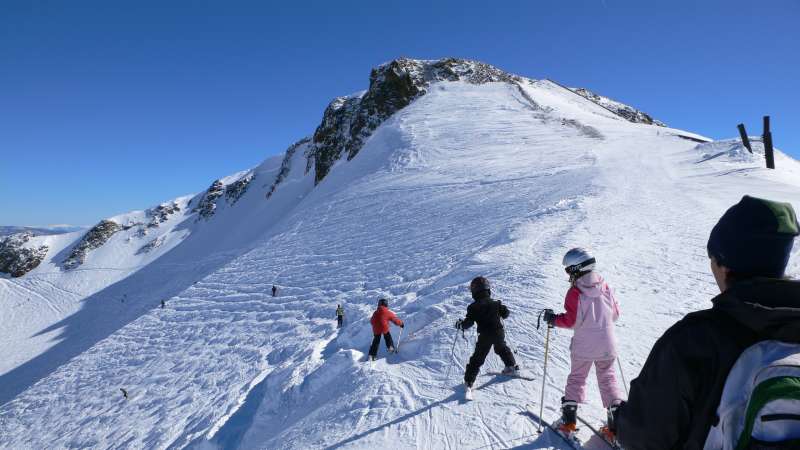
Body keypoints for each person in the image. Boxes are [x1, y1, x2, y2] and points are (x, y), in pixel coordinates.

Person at [611, 195, 800, 449]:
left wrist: (621, 421)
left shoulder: (694, 340)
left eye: (713, 259)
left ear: (724, 265)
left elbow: (643, 436)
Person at [543, 248, 623, 440]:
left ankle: (568, 423)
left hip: (584, 347)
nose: (568, 274)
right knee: (608, 379)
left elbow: (571, 321)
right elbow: (615, 314)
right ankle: (615, 427)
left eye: (568, 270)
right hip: (607, 345)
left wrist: (554, 319)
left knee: (577, 379)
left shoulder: (575, 292)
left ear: (576, 268)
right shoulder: (605, 286)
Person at [456, 276, 519, 390]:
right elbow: (506, 314)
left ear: (474, 292)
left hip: (485, 336)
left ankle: (469, 381)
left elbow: (468, 323)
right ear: (488, 290)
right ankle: (511, 366)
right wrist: (501, 309)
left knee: (478, 357)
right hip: (498, 332)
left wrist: (460, 325)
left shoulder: (473, 307)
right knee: (501, 348)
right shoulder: (496, 303)